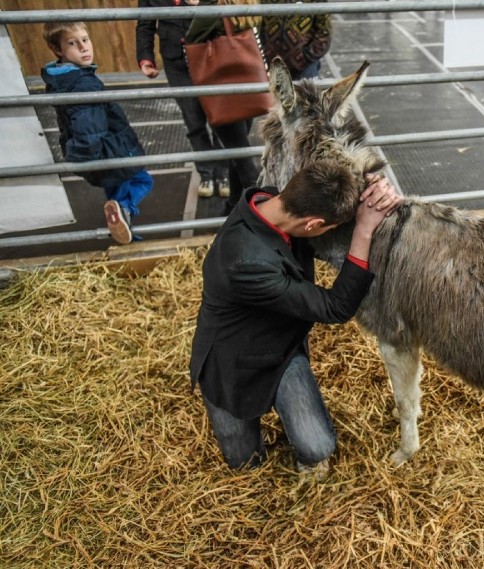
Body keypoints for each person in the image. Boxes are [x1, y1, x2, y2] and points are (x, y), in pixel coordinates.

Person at [189, 164, 402, 473]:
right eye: (327, 229)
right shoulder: (248, 263)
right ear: (313, 224)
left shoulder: (271, 201)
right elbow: (334, 308)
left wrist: (370, 190)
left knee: (318, 448)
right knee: (244, 463)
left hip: (282, 350)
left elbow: (328, 189)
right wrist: (364, 229)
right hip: (233, 362)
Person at [41, 21, 153, 245]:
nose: (84, 47)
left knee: (116, 187)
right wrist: (89, 158)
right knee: (142, 180)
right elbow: (89, 125)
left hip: (99, 151)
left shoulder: (62, 78)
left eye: (85, 39)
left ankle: (122, 224)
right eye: (73, 43)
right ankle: (123, 209)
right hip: (110, 151)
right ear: (58, 50)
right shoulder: (82, 84)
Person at [136, 0, 230, 199]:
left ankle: (224, 173)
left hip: (211, 53)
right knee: (194, 121)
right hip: (176, 60)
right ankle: (206, 172)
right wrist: (146, 57)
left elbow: (228, 9)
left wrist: (200, 3)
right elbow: (145, 23)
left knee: (220, 118)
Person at [185, 0, 264, 215]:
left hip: (223, 91)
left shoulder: (213, 3)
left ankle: (265, 217)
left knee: (246, 165)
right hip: (247, 85)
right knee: (238, 155)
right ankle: (232, 208)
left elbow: (192, 38)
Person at [258, 0, 332, 81]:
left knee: (305, 92)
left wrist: (305, 57)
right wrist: (263, 52)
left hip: (304, 65)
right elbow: (257, 22)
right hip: (270, 62)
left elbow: (324, 32)